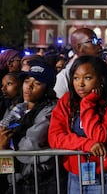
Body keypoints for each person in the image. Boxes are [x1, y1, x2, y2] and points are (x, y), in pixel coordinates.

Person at [48, 55, 107, 193]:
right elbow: (55, 137)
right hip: (75, 175)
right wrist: (87, 145)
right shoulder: (67, 100)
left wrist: (87, 103)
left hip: (106, 175)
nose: (80, 83)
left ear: (101, 79)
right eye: (76, 78)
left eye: (88, 78)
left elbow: (100, 137)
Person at [0, 61, 63, 194]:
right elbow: (3, 130)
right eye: (27, 80)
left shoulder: (52, 110)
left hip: (40, 181)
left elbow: (31, 145)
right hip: (14, 178)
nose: (29, 86)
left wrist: (5, 143)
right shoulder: (16, 108)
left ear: (47, 89)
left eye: (37, 83)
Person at [53, 28, 103, 98]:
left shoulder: (102, 69)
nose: (99, 45)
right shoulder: (64, 77)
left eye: (99, 41)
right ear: (79, 47)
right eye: (94, 41)